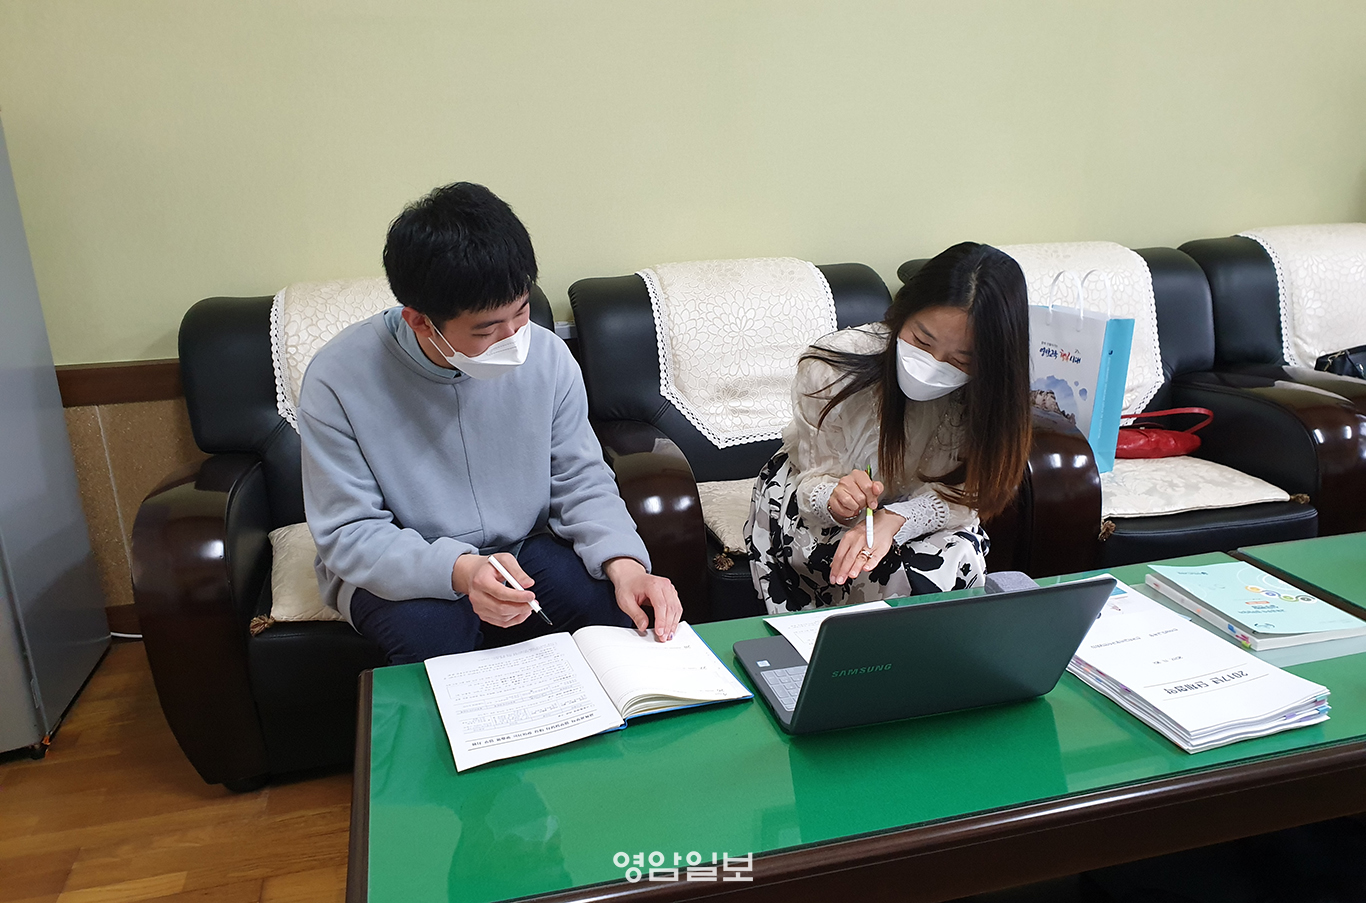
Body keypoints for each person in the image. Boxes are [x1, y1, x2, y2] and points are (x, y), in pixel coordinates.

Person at [298, 182, 682, 664]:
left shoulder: (548, 358)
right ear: (420, 321)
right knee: (435, 635)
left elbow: (580, 480)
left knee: (615, 613)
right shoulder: (337, 379)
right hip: (398, 565)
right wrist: (460, 570)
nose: (514, 338)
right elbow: (350, 533)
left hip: (521, 548)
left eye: (521, 312)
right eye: (487, 329)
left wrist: (626, 565)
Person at [745, 242, 1031, 613]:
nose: (932, 364)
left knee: (958, 555)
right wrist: (837, 500)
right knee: (866, 563)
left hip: (925, 509)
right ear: (901, 313)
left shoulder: (993, 396)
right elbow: (813, 481)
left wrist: (896, 518)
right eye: (921, 340)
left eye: (962, 360)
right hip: (813, 506)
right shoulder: (830, 370)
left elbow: (970, 496)